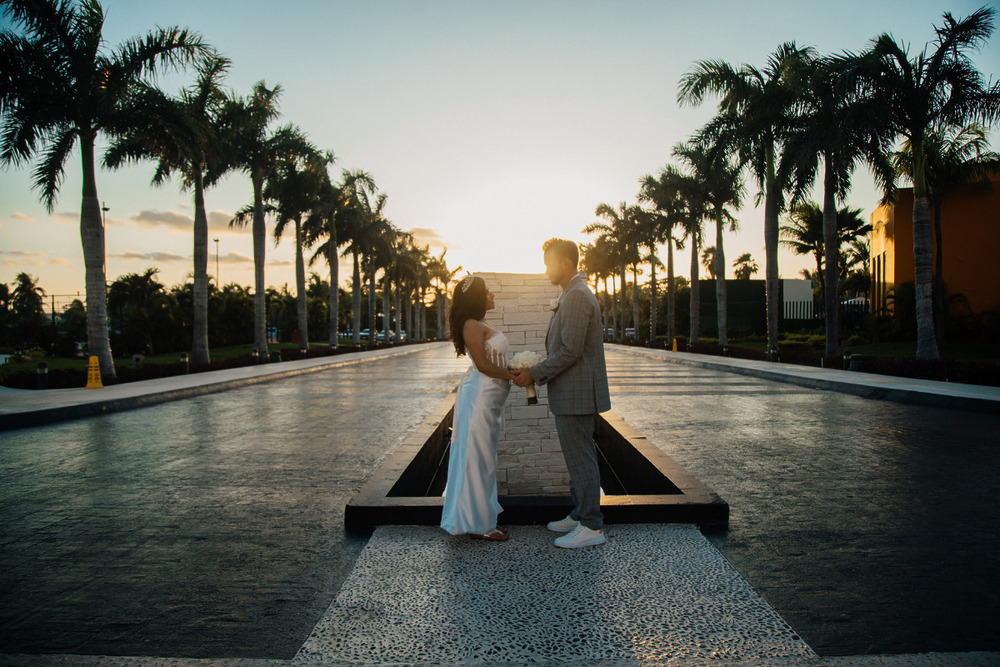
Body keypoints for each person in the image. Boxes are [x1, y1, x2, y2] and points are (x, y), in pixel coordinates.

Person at [513, 238, 611, 548]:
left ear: (565, 264)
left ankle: (592, 526)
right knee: (576, 457)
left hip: (577, 394)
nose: (546, 271)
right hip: (571, 392)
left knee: (581, 458)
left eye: (548, 263)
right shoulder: (570, 294)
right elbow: (565, 349)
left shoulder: (577, 296)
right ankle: (580, 513)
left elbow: (570, 351)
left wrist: (534, 372)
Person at [440, 275, 517, 541]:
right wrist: (513, 376)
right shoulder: (471, 325)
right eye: (488, 293)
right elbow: (483, 366)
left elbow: (493, 362)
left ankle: (480, 520)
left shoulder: (479, 324)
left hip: (490, 398)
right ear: (476, 297)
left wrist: (511, 372)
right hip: (481, 398)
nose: (492, 296)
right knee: (478, 459)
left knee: (484, 458)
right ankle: (482, 526)